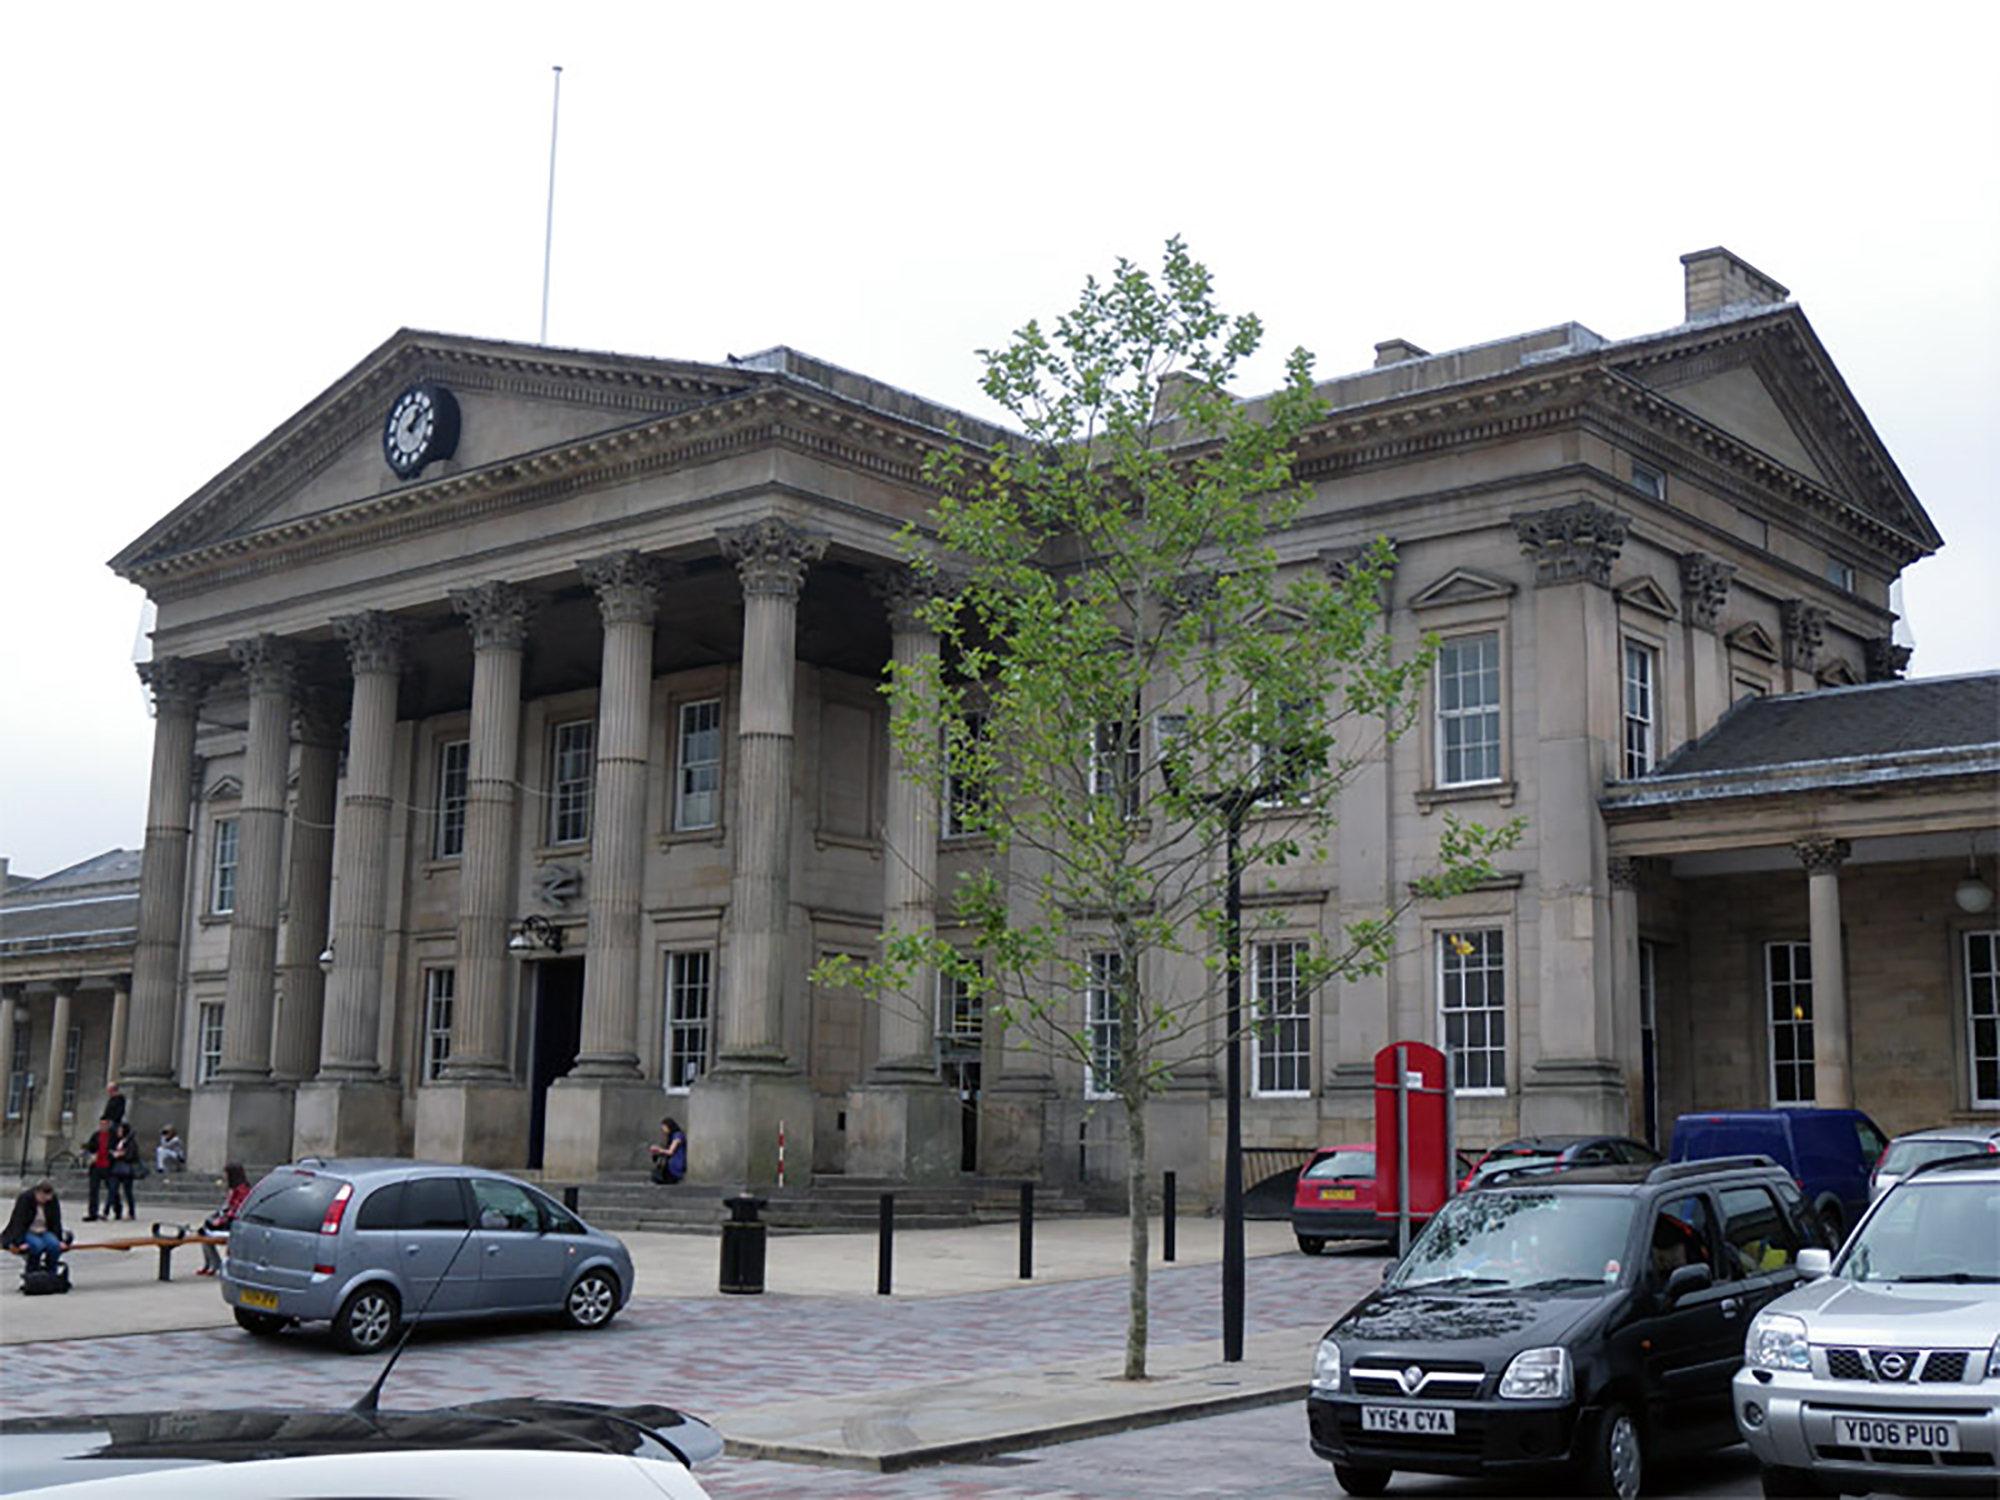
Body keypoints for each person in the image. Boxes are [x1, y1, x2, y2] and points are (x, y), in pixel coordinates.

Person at [2, 1180, 67, 1278]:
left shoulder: (52, 1201)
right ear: (37, 1192)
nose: (45, 1200)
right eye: (43, 1197)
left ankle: (51, 1273)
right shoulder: (25, 1199)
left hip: (44, 1230)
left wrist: (59, 1240)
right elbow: (18, 1222)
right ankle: (32, 1273)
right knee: (37, 1246)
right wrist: (18, 1243)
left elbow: (56, 1222)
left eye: (48, 1198)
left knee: (54, 1245)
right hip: (28, 1231)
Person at [197, 1164, 251, 1277]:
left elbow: (236, 1210)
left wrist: (221, 1220)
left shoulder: (242, 1190)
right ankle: (210, 1263)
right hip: (227, 1221)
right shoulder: (234, 1190)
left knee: (206, 1235)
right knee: (204, 1233)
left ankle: (213, 1264)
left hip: (234, 1226)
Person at [80, 1117, 117, 1221]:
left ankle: (117, 1209)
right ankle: (92, 1213)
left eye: (105, 1124)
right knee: (93, 1190)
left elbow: (117, 1148)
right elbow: (90, 1147)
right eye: (101, 1124)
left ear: (109, 1124)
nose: (103, 1126)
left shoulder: (113, 1136)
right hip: (96, 1166)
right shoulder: (96, 1135)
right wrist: (91, 1155)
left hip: (109, 1166)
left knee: (112, 1189)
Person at [109, 1120, 141, 1221]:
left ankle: (131, 1212)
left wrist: (120, 1155)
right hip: (116, 1169)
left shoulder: (130, 1142)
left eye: (120, 1130)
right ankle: (112, 1211)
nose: (118, 1131)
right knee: (113, 1190)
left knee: (128, 1193)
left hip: (127, 1170)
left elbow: (131, 1156)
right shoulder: (118, 1141)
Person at [648, 1117, 687, 1185]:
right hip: (671, 1164)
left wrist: (658, 1149)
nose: (663, 1130)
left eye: (664, 1128)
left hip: (675, 1165)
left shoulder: (677, 1136)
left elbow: (670, 1152)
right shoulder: (672, 1136)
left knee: (658, 1176)